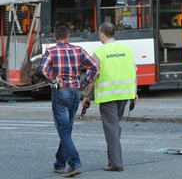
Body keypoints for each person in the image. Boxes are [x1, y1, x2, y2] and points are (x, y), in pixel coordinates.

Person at [39, 22, 99, 178]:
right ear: (68, 35)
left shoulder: (51, 51)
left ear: (54, 35)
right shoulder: (78, 50)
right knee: (67, 129)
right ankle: (60, 163)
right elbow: (94, 67)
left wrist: (53, 80)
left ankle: (75, 163)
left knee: (64, 130)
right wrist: (84, 83)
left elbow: (43, 69)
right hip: (75, 93)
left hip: (61, 93)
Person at [82, 22, 137, 172]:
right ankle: (113, 159)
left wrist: (86, 95)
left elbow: (92, 75)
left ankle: (116, 163)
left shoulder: (99, 52)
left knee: (111, 128)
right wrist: (135, 93)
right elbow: (133, 71)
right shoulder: (127, 50)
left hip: (108, 96)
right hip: (125, 94)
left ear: (102, 34)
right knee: (115, 126)